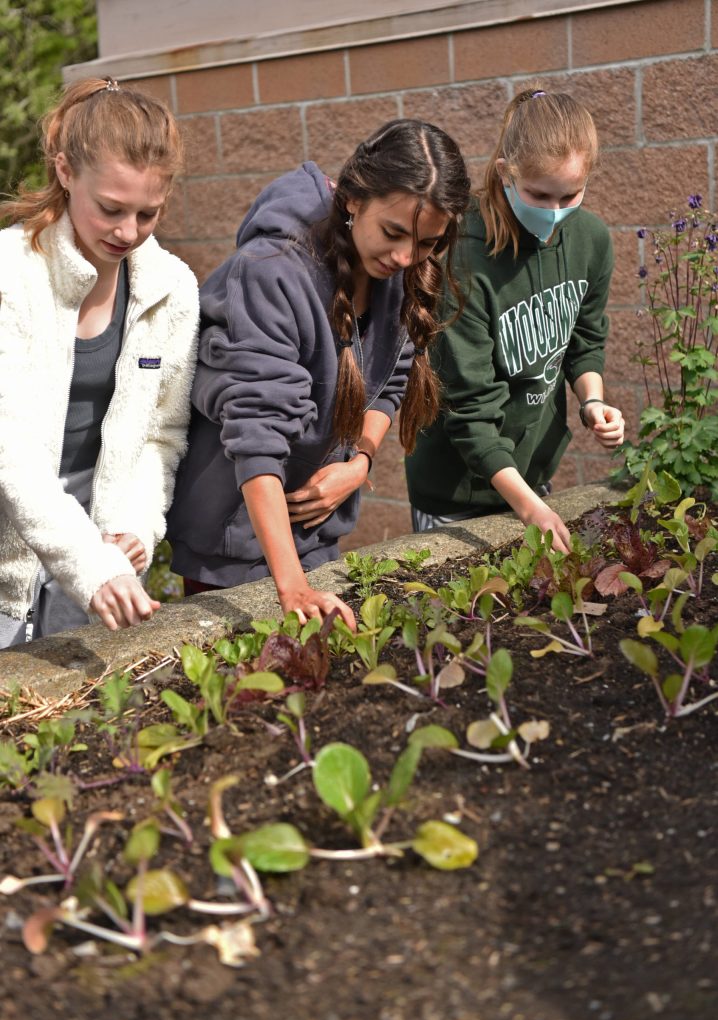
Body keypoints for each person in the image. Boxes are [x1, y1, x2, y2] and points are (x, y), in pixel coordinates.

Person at [166, 119, 471, 629]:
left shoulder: (402, 273)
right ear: (353, 200)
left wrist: (361, 463)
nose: (403, 257)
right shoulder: (273, 271)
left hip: (314, 530)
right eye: (392, 233)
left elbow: (390, 382)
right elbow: (256, 435)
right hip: (236, 536)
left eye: (425, 244)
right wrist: (295, 588)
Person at [0, 77, 199, 649]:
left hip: (101, 554)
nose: (127, 233)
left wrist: (134, 525)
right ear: (65, 171)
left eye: (148, 214)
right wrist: (90, 562)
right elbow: (11, 449)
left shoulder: (173, 288)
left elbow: (162, 433)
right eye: (111, 209)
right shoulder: (13, 275)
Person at [405, 88, 625, 553]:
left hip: (530, 476)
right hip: (455, 489)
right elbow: (469, 407)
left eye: (571, 195)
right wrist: (530, 509)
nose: (554, 211)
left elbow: (584, 337)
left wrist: (593, 401)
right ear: (506, 173)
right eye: (539, 194)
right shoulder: (461, 256)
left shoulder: (590, 240)